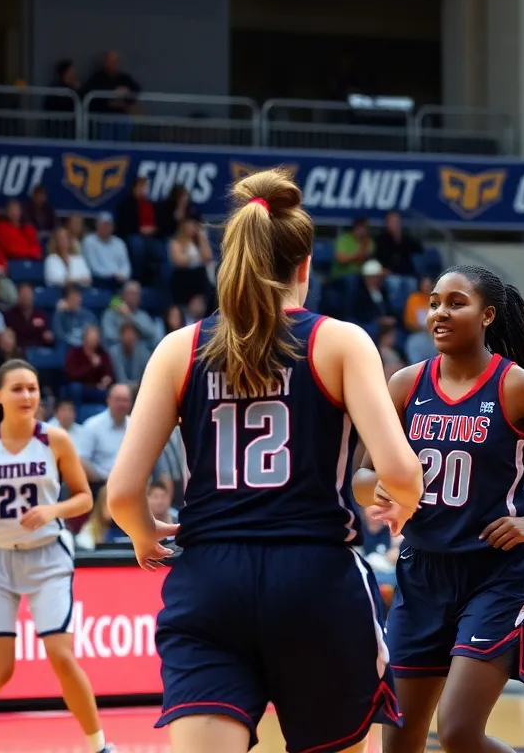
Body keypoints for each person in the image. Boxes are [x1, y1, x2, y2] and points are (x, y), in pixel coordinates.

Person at [104, 170, 424, 753]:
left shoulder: (178, 347)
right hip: (315, 579)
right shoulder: (341, 341)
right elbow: (401, 473)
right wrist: (399, 506)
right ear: (304, 266)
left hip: (210, 581)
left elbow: (123, 493)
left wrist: (143, 534)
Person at [353, 265, 524, 753]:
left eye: (455, 303)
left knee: (459, 731)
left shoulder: (517, 386)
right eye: (435, 302)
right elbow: (358, 476)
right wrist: (376, 488)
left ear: (487, 315)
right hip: (421, 573)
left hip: (497, 573)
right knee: (399, 742)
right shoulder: (405, 384)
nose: (440, 312)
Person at [0, 360, 113, 753]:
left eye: (32, 388)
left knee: (61, 656)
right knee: (0, 671)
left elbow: (84, 497)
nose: (27, 395)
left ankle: (99, 746)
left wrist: (52, 510)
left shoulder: (55, 440)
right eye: (17, 389)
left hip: (47, 557)